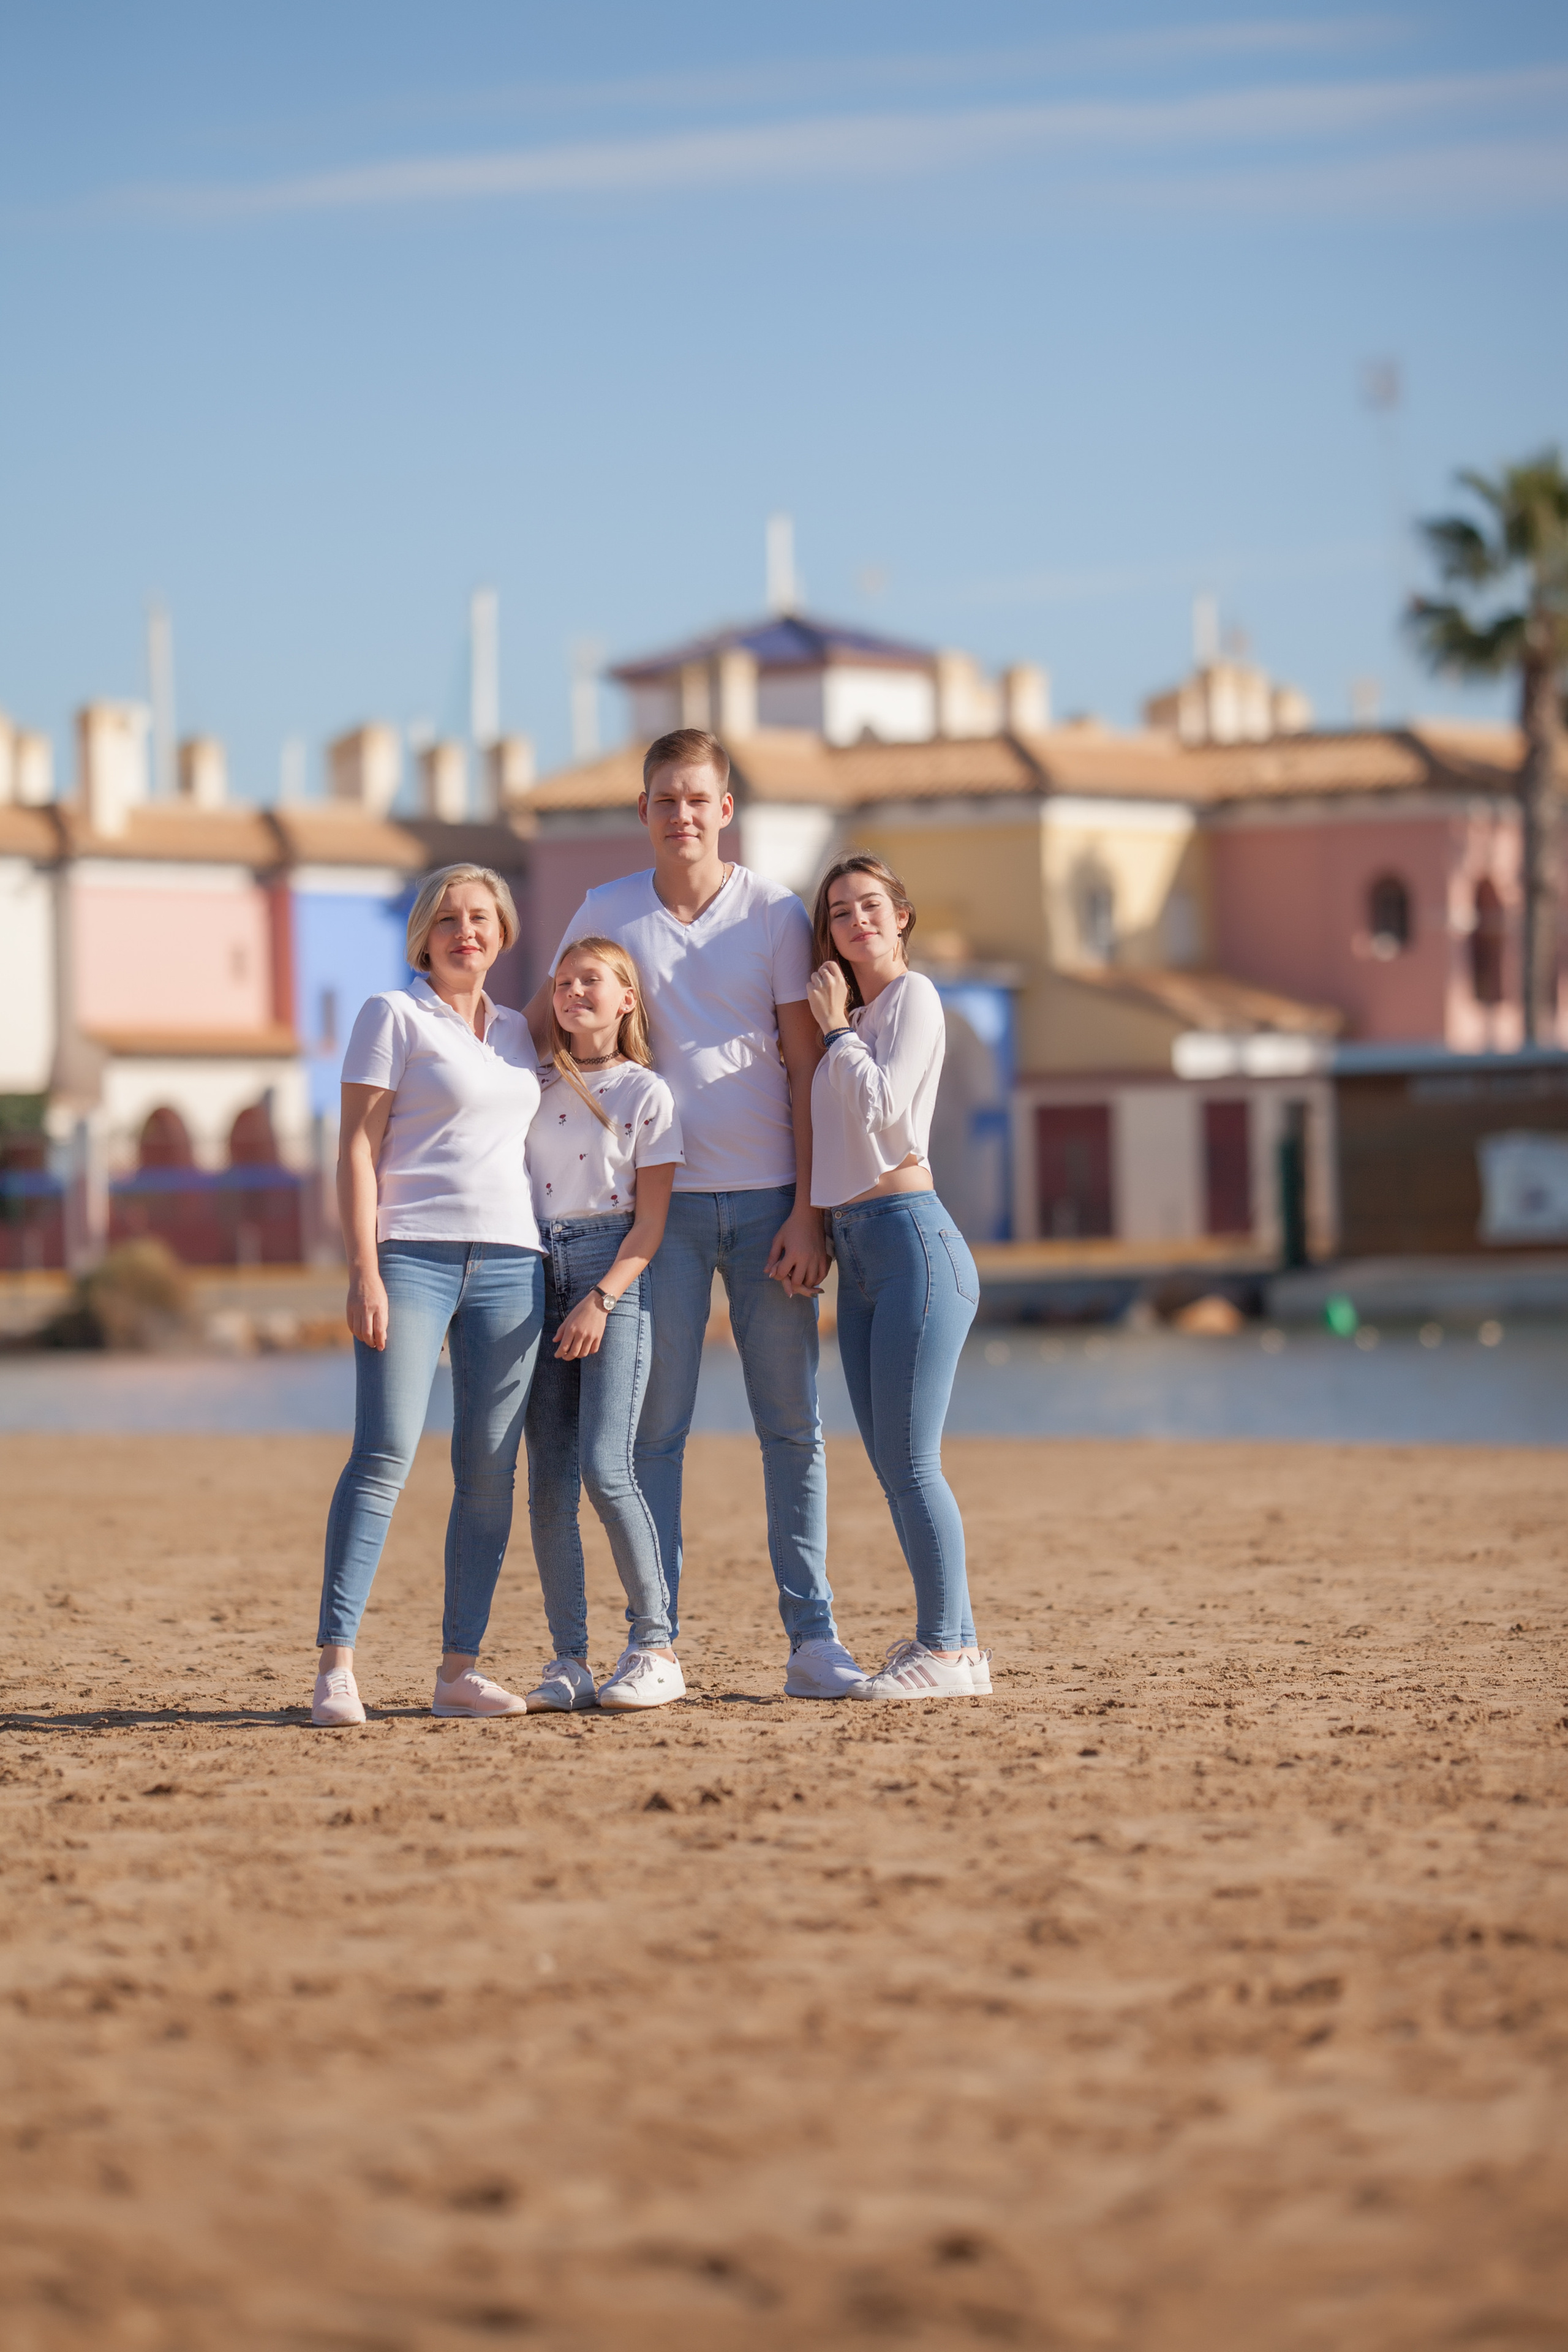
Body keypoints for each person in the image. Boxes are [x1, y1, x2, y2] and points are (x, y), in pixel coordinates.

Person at [524, 728, 865, 1698]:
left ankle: (813, 1640)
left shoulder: (773, 912)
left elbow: (805, 1065)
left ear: (726, 811)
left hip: (766, 1204)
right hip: (653, 1211)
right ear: (644, 812)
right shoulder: (605, 911)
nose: (682, 815)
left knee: (791, 1426)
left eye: (698, 799)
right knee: (652, 1435)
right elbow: (550, 1025)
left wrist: (810, 1209)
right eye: (664, 799)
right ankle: (655, 1645)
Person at [312, 864, 545, 1728]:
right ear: (423, 934)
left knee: (488, 1474)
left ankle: (458, 1670)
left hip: (515, 1264)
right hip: (410, 1256)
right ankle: (337, 1666)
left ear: (503, 932)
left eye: (481, 917)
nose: (465, 932)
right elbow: (357, 1150)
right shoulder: (392, 1015)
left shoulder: (523, 1033)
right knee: (384, 1454)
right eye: (448, 919)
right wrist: (363, 1267)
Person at [805, 853, 990, 1701]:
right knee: (892, 1464)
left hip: (916, 1241)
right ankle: (956, 1643)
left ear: (902, 916)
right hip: (861, 1251)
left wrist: (838, 1030)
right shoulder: (861, 1016)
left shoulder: (910, 1000)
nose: (857, 921)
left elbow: (882, 1112)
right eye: (840, 913)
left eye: (871, 906)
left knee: (915, 1463)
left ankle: (948, 1653)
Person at [522, 937, 685, 1713]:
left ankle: (654, 1645)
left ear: (626, 999)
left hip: (609, 1272)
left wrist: (603, 1298)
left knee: (604, 1469)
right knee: (547, 1484)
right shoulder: (528, 1084)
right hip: (531, 1270)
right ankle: (568, 1659)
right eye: (562, 983)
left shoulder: (646, 1093)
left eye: (591, 981)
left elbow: (651, 1227)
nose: (573, 991)